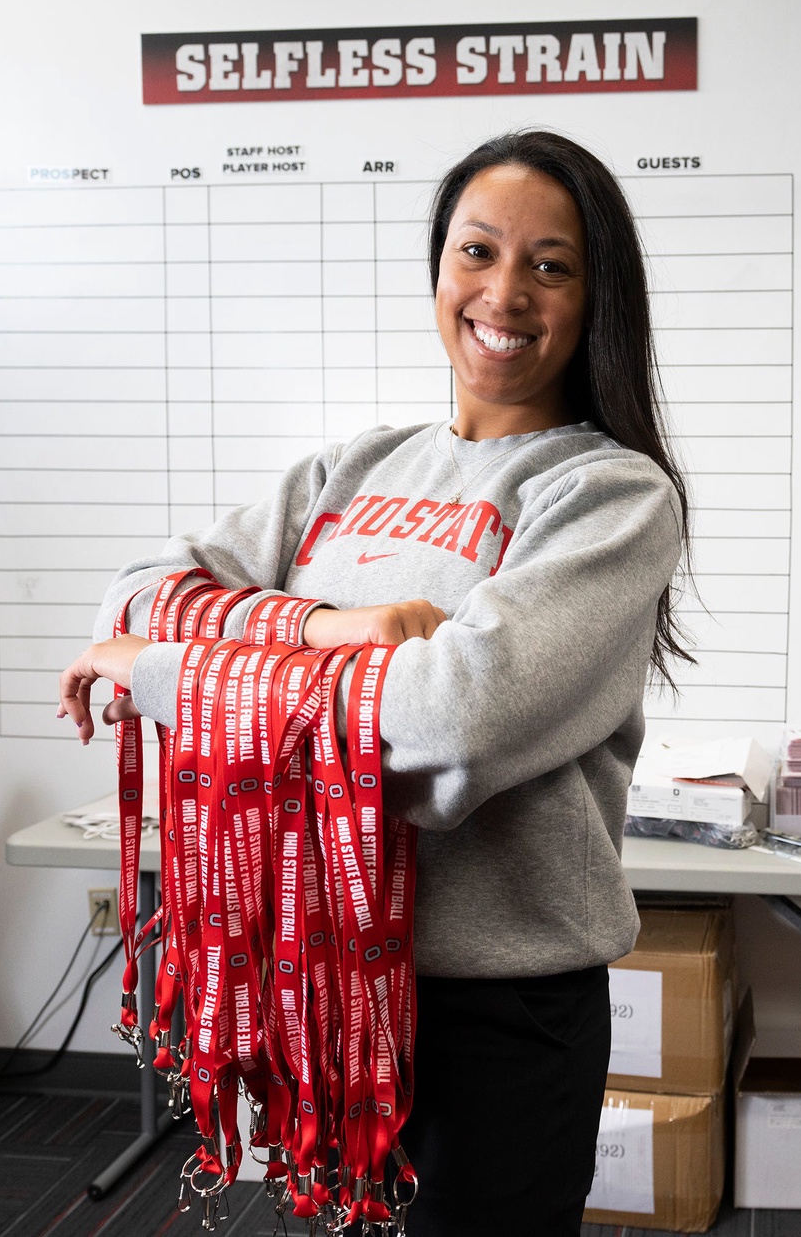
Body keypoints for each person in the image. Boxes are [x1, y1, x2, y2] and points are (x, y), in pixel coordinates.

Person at [60, 130, 691, 1237]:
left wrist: (159, 672)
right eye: (477, 251)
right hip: (329, 981)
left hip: (498, 1009)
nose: (504, 292)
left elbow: (451, 715)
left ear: (599, 297)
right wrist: (339, 625)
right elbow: (136, 591)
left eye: (550, 264)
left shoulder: (607, 494)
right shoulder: (349, 469)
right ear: (438, 268)